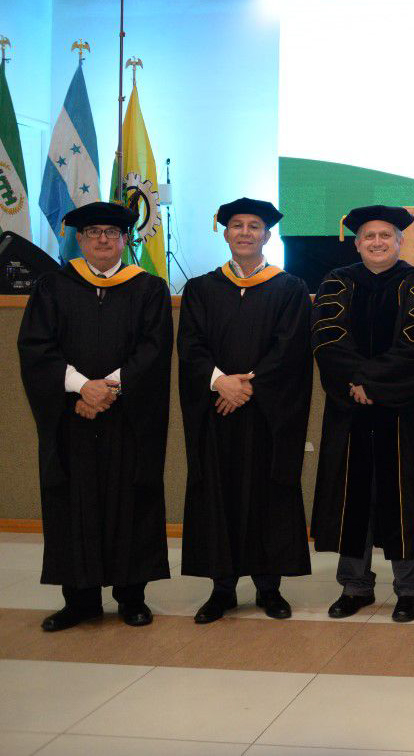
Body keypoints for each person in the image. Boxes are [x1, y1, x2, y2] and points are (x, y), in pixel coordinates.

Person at [18, 201, 172, 631]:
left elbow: (154, 350)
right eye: (93, 232)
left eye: (111, 232)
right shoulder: (53, 286)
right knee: (72, 501)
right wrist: (81, 387)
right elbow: (36, 348)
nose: (102, 239)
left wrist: (108, 389)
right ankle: (80, 600)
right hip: (72, 416)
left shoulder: (149, 289)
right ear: (80, 239)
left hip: (128, 418)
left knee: (132, 498)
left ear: (125, 239)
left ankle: (132, 597)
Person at [311, 205, 414, 624]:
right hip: (350, 411)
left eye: (385, 235)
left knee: (405, 498)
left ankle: (409, 589)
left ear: (400, 241)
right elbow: (328, 339)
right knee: (352, 497)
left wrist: (369, 382)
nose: (377, 242)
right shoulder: (337, 282)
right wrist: (356, 382)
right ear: (357, 243)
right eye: (369, 236)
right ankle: (354, 586)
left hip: (404, 413)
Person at [178, 198, 312, 623]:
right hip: (216, 411)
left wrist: (247, 386)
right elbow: (190, 346)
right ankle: (222, 589)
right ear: (225, 233)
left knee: (269, 493)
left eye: (255, 226)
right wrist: (220, 381)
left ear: (267, 235)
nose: (245, 232)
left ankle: (269, 588)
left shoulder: (289, 288)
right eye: (237, 225)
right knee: (218, 493)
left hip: (268, 414)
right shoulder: (201, 289)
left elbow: (290, 348)